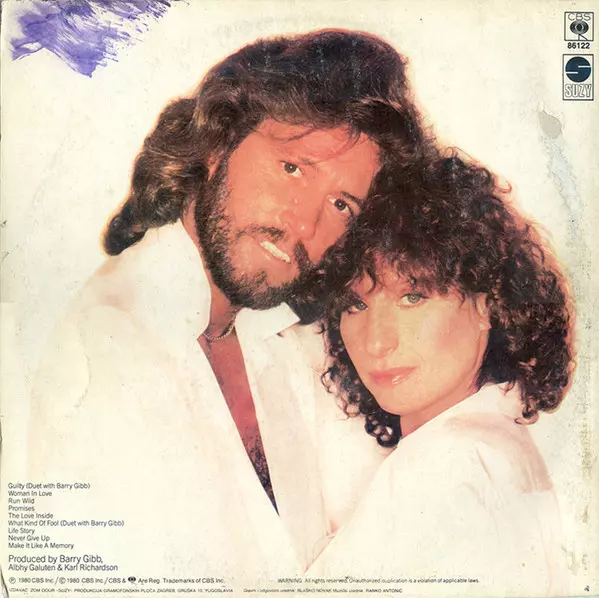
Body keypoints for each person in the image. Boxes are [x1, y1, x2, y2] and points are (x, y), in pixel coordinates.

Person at [25, 29, 427, 586]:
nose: (304, 225)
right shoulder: (98, 352)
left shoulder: (287, 345)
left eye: (341, 204)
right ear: (217, 144)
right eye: (294, 168)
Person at [308, 155, 575, 596]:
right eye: (355, 304)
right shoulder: (495, 446)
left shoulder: (448, 461)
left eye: (412, 297)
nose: (376, 342)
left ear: (488, 305)